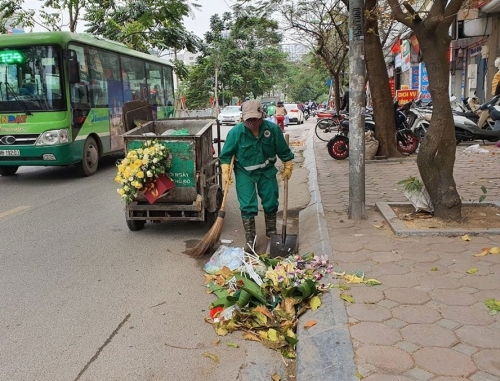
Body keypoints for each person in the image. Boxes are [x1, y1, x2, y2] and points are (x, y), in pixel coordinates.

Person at [219, 100, 294, 249]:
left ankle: (271, 232)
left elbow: (283, 151)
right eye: (249, 119)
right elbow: (226, 155)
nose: (252, 122)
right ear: (243, 117)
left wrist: (288, 163)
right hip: (244, 172)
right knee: (247, 205)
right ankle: (250, 238)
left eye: (255, 118)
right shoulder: (236, 133)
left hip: (266, 171)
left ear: (262, 115)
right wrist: (225, 169)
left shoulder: (272, 130)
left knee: (271, 201)